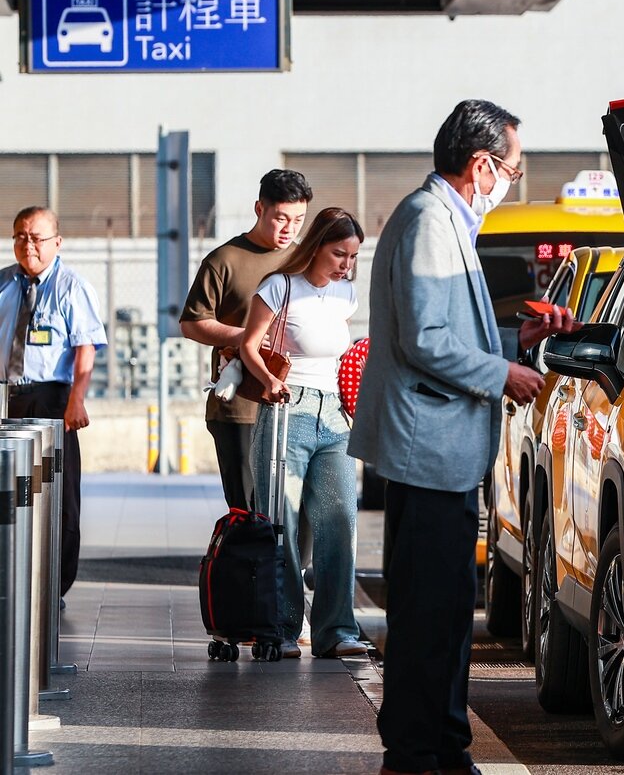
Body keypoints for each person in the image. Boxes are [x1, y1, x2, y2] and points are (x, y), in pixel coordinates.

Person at [350, 99, 577, 775]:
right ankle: (419, 751)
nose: (509, 179)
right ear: (479, 165)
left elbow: (449, 332)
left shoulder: (448, 221)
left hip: (442, 453)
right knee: (426, 615)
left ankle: (442, 743)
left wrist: (518, 340)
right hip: (428, 453)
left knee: (446, 613)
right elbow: (425, 340)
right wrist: (502, 371)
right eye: (509, 168)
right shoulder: (428, 221)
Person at [240, 207, 366, 661]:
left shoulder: (346, 295)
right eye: (338, 254)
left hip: (333, 414)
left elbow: (341, 350)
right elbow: (249, 345)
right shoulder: (279, 287)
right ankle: (284, 628)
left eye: (352, 256)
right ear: (316, 247)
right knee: (283, 522)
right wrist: (270, 381)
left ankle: (337, 630)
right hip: (286, 411)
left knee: (340, 519)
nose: (345, 265)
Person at [180, 169, 311, 511]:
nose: (290, 229)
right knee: (249, 513)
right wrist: (245, 337)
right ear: (259, 209)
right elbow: (192, 323)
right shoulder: (224, 260)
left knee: (295, 511)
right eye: (281, 218)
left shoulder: (304, 261)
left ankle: (292, 568)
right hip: (240, 408)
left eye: (298, 220)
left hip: (294, 404)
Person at [0, 206, 107, 597]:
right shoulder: (4, 284)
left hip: (52, 401)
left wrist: (76, 401)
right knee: (9, 491)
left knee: (55, 493)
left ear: (56, 243)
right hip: (8, 397)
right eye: (20, 237)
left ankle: (54, 586)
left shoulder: (71, 286)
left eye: (37, 237)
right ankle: (11, 579)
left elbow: (85, 349)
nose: (29, 245)